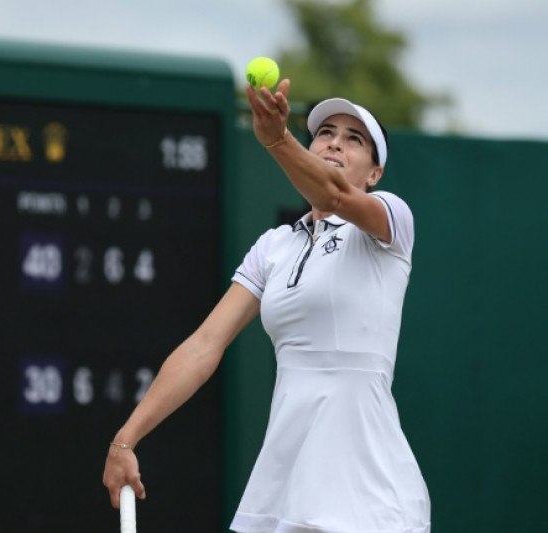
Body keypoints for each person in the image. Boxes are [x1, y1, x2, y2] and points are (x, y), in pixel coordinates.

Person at [102, 78, 431, 533]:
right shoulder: (274, 247)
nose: (335, 142)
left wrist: (277, 139)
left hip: (364, 493)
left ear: (374, 173)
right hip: (283, 481)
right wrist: (126, 439)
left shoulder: (392, 220)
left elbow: (333, 195)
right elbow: (203, 346)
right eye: (325, 133)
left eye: (354, 139)